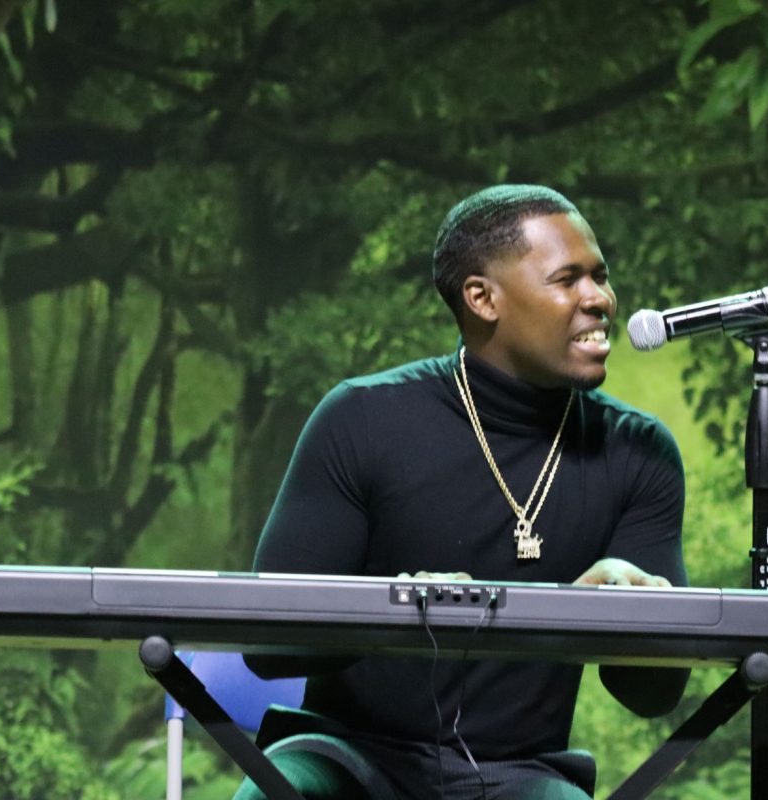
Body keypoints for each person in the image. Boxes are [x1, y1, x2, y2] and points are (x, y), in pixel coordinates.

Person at [236, 185, 689, 799]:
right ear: (482, 298)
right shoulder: (362, 418)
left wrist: (619, 611)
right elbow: (269, 645)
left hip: (519, 774)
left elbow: (652, 695)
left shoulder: (638, 452)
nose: (599, 299)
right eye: (568, 280)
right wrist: (396, 611)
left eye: (600, 277)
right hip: (347, 759)